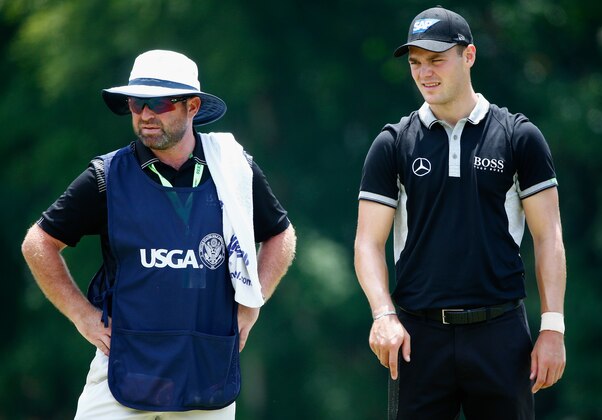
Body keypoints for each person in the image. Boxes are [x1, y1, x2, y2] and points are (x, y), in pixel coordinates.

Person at [21, 49, 296, 419]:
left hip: (206, 365)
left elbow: (281, 235)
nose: (146, 115)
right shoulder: (107, 175)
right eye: (137, 103)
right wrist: (81, 315)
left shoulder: (233, 168)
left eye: (160, 102)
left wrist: (252, 303)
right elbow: (38, 243)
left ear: (193, 106)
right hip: (123, 363)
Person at [354, 6, 566, 419]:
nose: (424, 73)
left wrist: (553, 326)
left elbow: (549, 234)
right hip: (418, 336)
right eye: (416, 63)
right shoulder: (392, 143)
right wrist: (383, 314)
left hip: (501, 331)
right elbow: (367, 242)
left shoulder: (518, 136)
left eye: (436, 60)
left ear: (468, 56)